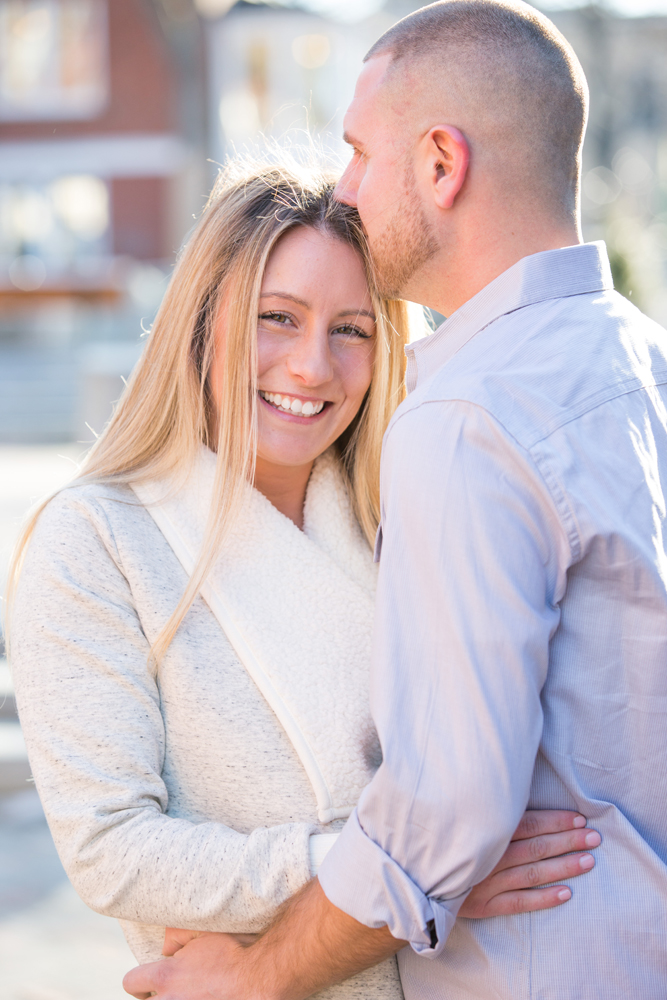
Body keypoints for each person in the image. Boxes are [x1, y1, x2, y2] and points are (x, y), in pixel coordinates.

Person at [123, 2, 667, 999]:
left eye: (361, 154)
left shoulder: (463, 412)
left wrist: (251, 978)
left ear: (439, 164)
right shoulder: (637, 357)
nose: (346, 188)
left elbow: (445, 813)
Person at [8, 158, 596, 1000]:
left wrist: (432, 869)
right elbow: (114, 850)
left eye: (351, 329)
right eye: (275, 318)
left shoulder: (401, 519)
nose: (312, 367)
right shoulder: (98, 539)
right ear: (200, 320)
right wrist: (403, 870)